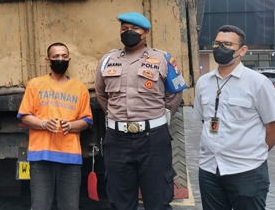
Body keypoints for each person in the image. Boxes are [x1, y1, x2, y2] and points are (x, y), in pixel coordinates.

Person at [95, 12, 187, 210]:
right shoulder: (107, 60)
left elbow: (175, 93)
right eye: (125, 28)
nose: (129, 32)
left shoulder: (163, 59)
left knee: (158, 202)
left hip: (153, 139)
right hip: (117, 140)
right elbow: (102, 95)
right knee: (120, 203)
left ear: (145, 32)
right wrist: (117, 118)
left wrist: (157, 118)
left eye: (135, 29)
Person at [194, 25, 275, 210]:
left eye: (227, 44)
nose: (221, 48)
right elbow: (206, 120)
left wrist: (256, 152)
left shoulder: (257, 83)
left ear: (242, 50)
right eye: (217, 43)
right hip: (210, 168)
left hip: (247, 170)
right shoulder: (204, 82)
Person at [18, 42, 93, 210]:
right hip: (41, 156)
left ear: (69, 59)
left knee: (70, 206)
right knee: (40, 206)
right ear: (48, 60)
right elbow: (24, 116)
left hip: (70, 157)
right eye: (56, 56)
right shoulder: (35, 84)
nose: (60, 59)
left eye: (64, 56)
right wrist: (43, 123)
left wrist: (71, 125)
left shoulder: (80, 88)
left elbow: (87, 120)